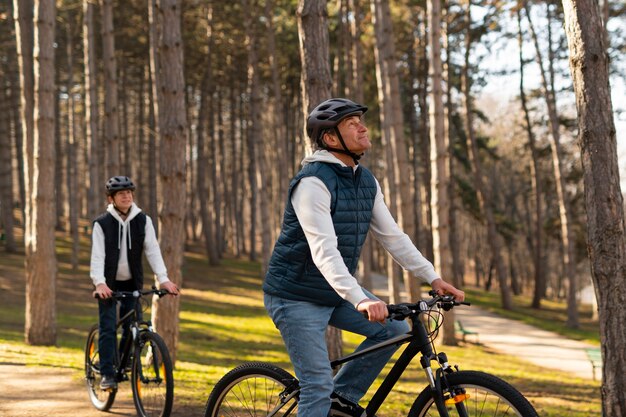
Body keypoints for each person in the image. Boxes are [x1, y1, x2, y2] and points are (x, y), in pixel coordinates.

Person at [263, 98, 464, 417]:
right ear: (331, 138)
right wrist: (360, 299)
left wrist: (433, 278)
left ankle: (340, 399)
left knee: (395, 329)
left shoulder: (365, 181)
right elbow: (323, 250)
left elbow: (393, 237)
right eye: (351, 123)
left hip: (332, 292)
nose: (363, 127)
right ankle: (326, 397)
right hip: (294, 297)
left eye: (360, 120)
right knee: (316, 385)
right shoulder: (313, 183)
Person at [90, 175, 179, 390]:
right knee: (109, 327)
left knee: (133, 325)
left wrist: (164, 279)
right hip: (108, 285)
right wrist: (99, 283)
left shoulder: (143, 220)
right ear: (111, 198)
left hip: (132, 283)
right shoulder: (102, 224)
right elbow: (97, 256)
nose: (127, 196)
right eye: (121, 193)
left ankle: (123, 359)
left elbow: (153, 251)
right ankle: (108, 374)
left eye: (129, 192)